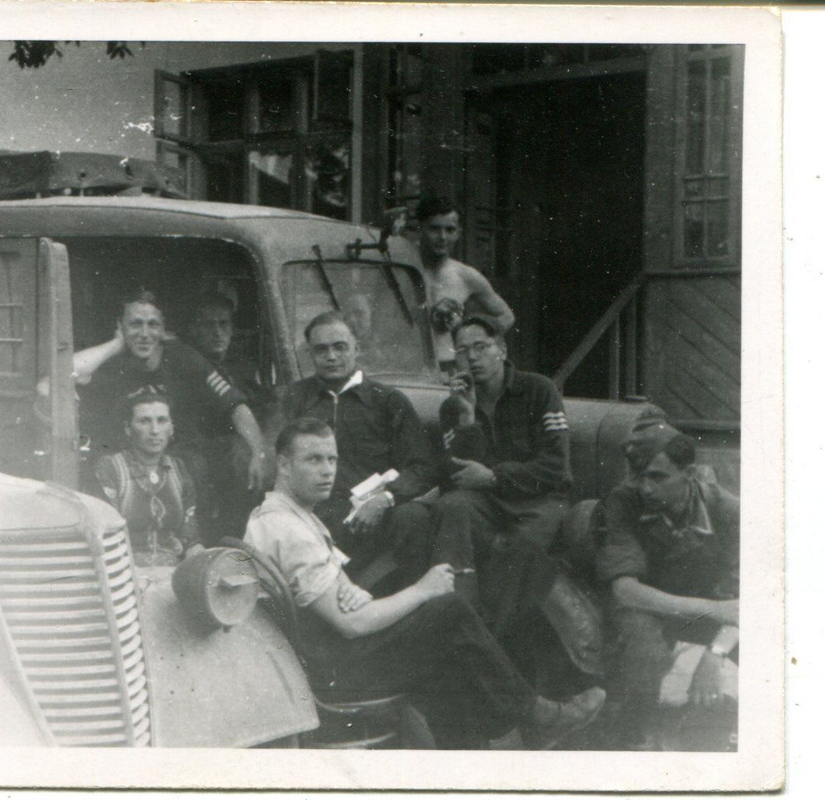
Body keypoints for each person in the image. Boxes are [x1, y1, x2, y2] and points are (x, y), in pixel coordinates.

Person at [244, 417, 606, 749]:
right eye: (313, 460)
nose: (327, 472)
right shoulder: (291, 531)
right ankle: (535, 716)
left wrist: (349, 589)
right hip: (335, 670)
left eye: (332, 460)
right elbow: (351, 623)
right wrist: (423, 589)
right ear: (284, 465)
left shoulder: (277, 517)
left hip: (323, 656)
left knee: (448, 651)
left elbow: (327, 592)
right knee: (447, 612)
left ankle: (476, 753)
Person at [421, 315, 594, 691]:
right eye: (463, 351)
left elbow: (555, 467)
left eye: (480, 347)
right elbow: (459, 473)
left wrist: (496, 476)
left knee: (522, 546)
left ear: (501, 348)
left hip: (540, 500)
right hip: (486, 501)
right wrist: (466, 418)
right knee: (451, 507)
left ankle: (487, 645)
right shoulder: (454, 405)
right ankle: (454, 622)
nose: (472, 359)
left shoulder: (538, 390)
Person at [594, 416, 740, 748]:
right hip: (648, 610)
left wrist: (715, 655)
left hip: (706, 617)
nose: (646, 488)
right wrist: (713, 609)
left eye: (658, 477)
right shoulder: (624, 502)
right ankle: (635, 739)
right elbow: (625, 590)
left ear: (689, 474)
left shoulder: (728, 511)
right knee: (642, 653)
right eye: (639, 477)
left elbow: (751, 595)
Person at [279, 310, 436, 584]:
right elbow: (279, 460)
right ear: (311, 355)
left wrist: (385, 499)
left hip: (373, 516)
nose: (331, 357)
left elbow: (422, 466)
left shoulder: (387, 401)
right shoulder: (296, 398)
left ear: (357, 348)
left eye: (340, 347)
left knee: (413, 517)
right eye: (321, 350)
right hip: (315, 514)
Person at [65, 290, 267, 496]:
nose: (144, 334)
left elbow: (236, 406)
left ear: (163, 329)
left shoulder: (184, 358)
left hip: (182, 465)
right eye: (135, 324)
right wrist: (115, 344)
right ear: (121, 326)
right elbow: (60, 376)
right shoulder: (111, 363)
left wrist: (259, 452)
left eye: (152, 325)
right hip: (127, 467)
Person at [185, 293, 271, 539]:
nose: (217, 332)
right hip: (204, 457)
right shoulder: (192, 363)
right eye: (208, 325)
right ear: (193, 329)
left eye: (224, 324)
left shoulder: (236, 368)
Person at [94, 392, 203, 567]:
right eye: (144, 421)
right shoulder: (111, 468)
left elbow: (190, 533)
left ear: (171, 428)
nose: (154, 430)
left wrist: (196, 556)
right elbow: (105, 533)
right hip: (125, 571)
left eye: (162, 420)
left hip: (173, 571)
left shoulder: (178, 469)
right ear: (128, 428)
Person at [411, 196, 515, 378]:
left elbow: (506, 316)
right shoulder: (403, 268)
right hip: (409, 366)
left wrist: (468, 334)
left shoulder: (466, 276)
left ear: (459, 232)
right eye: (435, 228)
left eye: (449, 230)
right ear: (420, 228)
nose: (442, 237)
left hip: (451, 368)